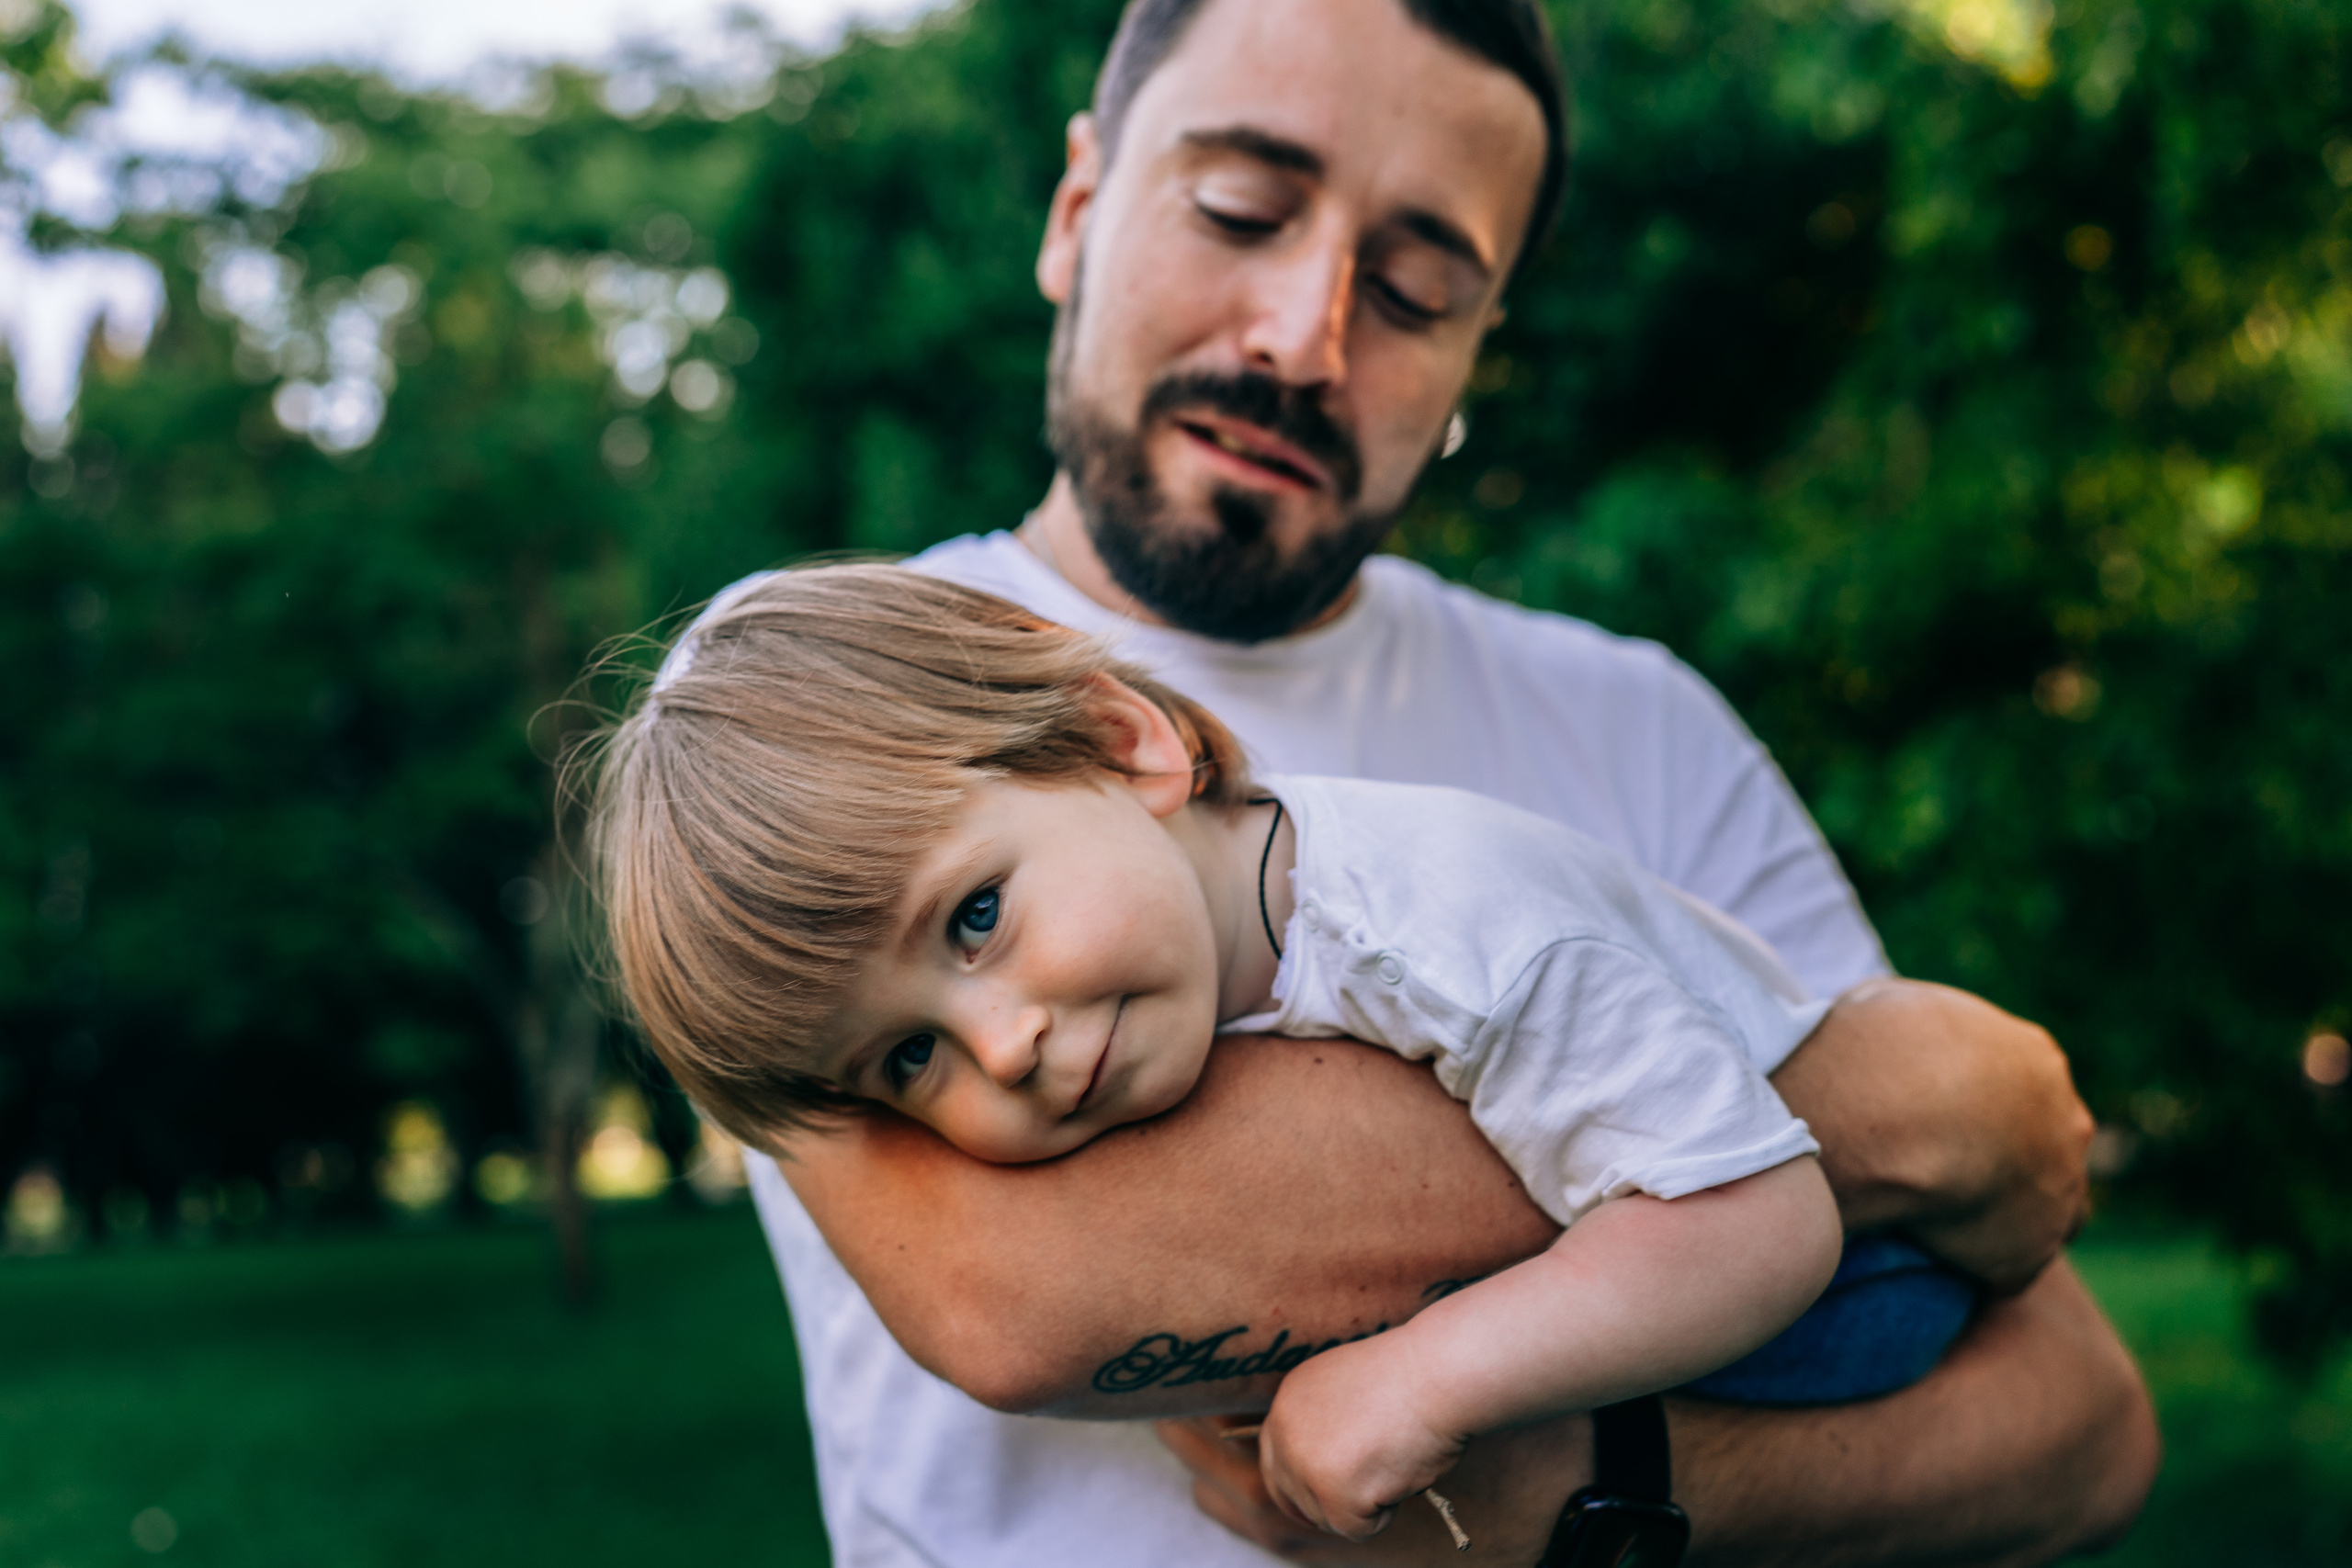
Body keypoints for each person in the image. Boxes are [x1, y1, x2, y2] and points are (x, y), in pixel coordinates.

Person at [729, 0, 2160, 1562]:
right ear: (1077, 212)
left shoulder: (1642, 719)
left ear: (1484, 346)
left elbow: (2080, 1423)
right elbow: (1025, 1298)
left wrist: (1601, 1497)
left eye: (1417, 289)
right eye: (1239, 211)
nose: (1303, 338)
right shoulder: (788, 729)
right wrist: (1885, 1103)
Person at [597, 567, 1997, 1545]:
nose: (1003, 1046)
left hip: (1858, 1300)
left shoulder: (1442, 921)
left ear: (1125, 743)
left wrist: (1418, 1379)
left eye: (975, 918)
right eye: (906, 1061)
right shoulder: (1177, 963)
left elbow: (1759, 1217)